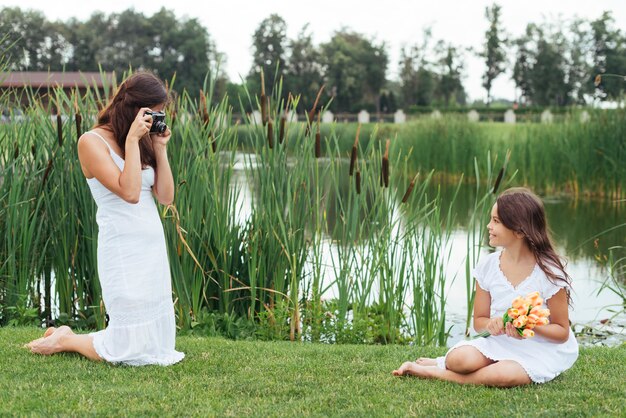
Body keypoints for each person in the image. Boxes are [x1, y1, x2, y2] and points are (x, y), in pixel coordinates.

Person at [27, 71, 185, 366]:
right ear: (137, 108)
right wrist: (134, 141)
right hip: (122, 245)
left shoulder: (142, 141)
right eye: (154, 111)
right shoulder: (92, 142)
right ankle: (66, 339)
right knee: (127, 349)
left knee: (152, 348)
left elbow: (165, 197)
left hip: (151, 245)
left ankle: (69, 337)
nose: (158, 117)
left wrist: (160, 149)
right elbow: (129, 192)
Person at [393, 187, 578, 386]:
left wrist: (530, 325)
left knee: (503, 376)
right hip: (499, 342)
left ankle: (431, 371)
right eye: (491, 219)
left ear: (519, 230)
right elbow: (479, 321)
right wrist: (492, 325)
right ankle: (442, 363)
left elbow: (561, 332)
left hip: (539, 348)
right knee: (459, 360)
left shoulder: (549, 272)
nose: (489, 226)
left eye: (496, 221)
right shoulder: (488, 266)